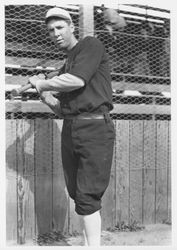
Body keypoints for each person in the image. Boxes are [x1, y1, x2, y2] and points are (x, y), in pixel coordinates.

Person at [28, 7, 115, 246]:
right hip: (71, 127)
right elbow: (62, 109)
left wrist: (42, 83)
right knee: (78, 194)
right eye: (50, 30)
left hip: (95, 128)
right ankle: (89, 244)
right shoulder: (67, 63)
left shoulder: (90, 45)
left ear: (72, 27)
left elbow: (77, 80)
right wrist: (45, 96)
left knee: (87, 196)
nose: (55, 33)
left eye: (60, 27)